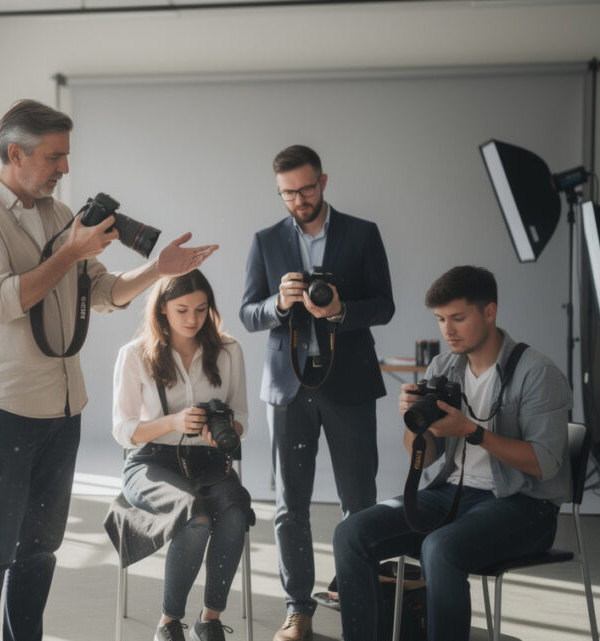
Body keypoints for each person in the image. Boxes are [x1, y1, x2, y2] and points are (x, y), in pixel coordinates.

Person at [0, 98, 217, 641]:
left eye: (67, 156)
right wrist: (70, 252)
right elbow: (3, 303)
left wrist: (158, 272)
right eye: (54, 157)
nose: (65, 169)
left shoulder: (58, 215)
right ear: (16, 154)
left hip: (62, 408)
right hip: (3, 406)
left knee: (41, 549)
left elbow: (101, 291)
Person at [332, 265, 571, 641]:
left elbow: (544, 463)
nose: (448, 330)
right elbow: (425, 458)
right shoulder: (444, 367)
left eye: (458, 318)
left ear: (489, 312)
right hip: (452, 495)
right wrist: (415, 424)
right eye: (441, 319)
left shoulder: (537, 372)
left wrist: (473, 432)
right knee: (350, 533)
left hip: (524, 505)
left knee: (440, 548)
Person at [239, 144, 394, 640]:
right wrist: (278, 305)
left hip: (349, 384)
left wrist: (341, 311)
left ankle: (356, 599)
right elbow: (247, 313)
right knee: (290, 505)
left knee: (359, 501)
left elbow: (385, 305)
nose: (299, 199)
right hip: (288, 388)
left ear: (323, 181)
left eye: (306, 189)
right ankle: (298, 608)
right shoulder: (265, 241)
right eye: (288, 193)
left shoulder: (362, 233)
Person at [107, 271, 252, 641]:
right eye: (182, 310)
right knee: (195, 517)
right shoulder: (135, 355)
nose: (192, 319)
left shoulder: (228, 349)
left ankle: (210, 619)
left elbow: (242, 418)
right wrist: (172, 421)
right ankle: (169, 623)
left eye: (201, 309)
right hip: (151, 461)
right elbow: (123, 430)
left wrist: (222, 433)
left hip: (210, 460)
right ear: (162, 311)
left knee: (235, 512)